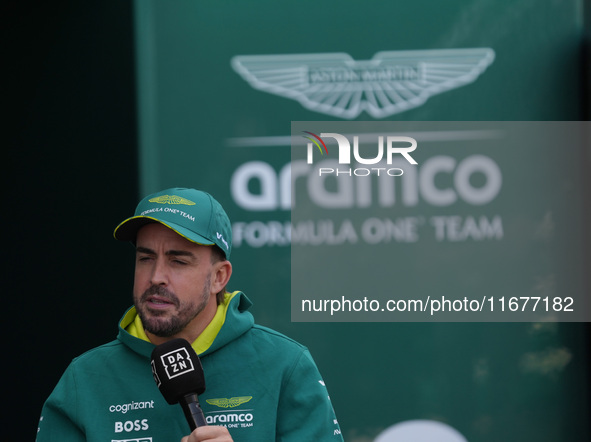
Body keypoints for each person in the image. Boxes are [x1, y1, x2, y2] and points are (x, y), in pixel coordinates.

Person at [37, 187, 343, 442]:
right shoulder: (85, 379)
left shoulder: (285, 366)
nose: (156, 276)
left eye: (178, 261)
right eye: (145, 258)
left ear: (219, 277)